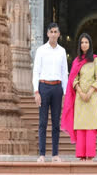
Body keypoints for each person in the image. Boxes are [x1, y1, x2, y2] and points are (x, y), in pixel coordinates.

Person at [61, 33, 97, 161]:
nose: (84, 44)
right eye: (82, 42)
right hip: (80, 98)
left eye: (86, 42)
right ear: (79, 45)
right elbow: (73, 79)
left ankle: (90, 155)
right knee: (81, 125)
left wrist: (89, 93)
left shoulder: (95, 60)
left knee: (90, 126)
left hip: (92, 98)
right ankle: (81, 155)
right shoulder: (77, 61)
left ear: (90, 44)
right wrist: (80, 93)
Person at [33, 23, 68, 163]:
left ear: (59, 34)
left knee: (55, 123)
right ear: (47, 34)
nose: (53, 34)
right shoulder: (41, 50)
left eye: (56, 32)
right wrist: (36, 91)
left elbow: (64, 73)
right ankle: (42, 154)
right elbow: (36, 71)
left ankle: (55, 154)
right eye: (51, 32)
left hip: (57, 88)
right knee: (42, 122)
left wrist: (65, 93)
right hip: (43, 87)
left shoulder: (62, 51)